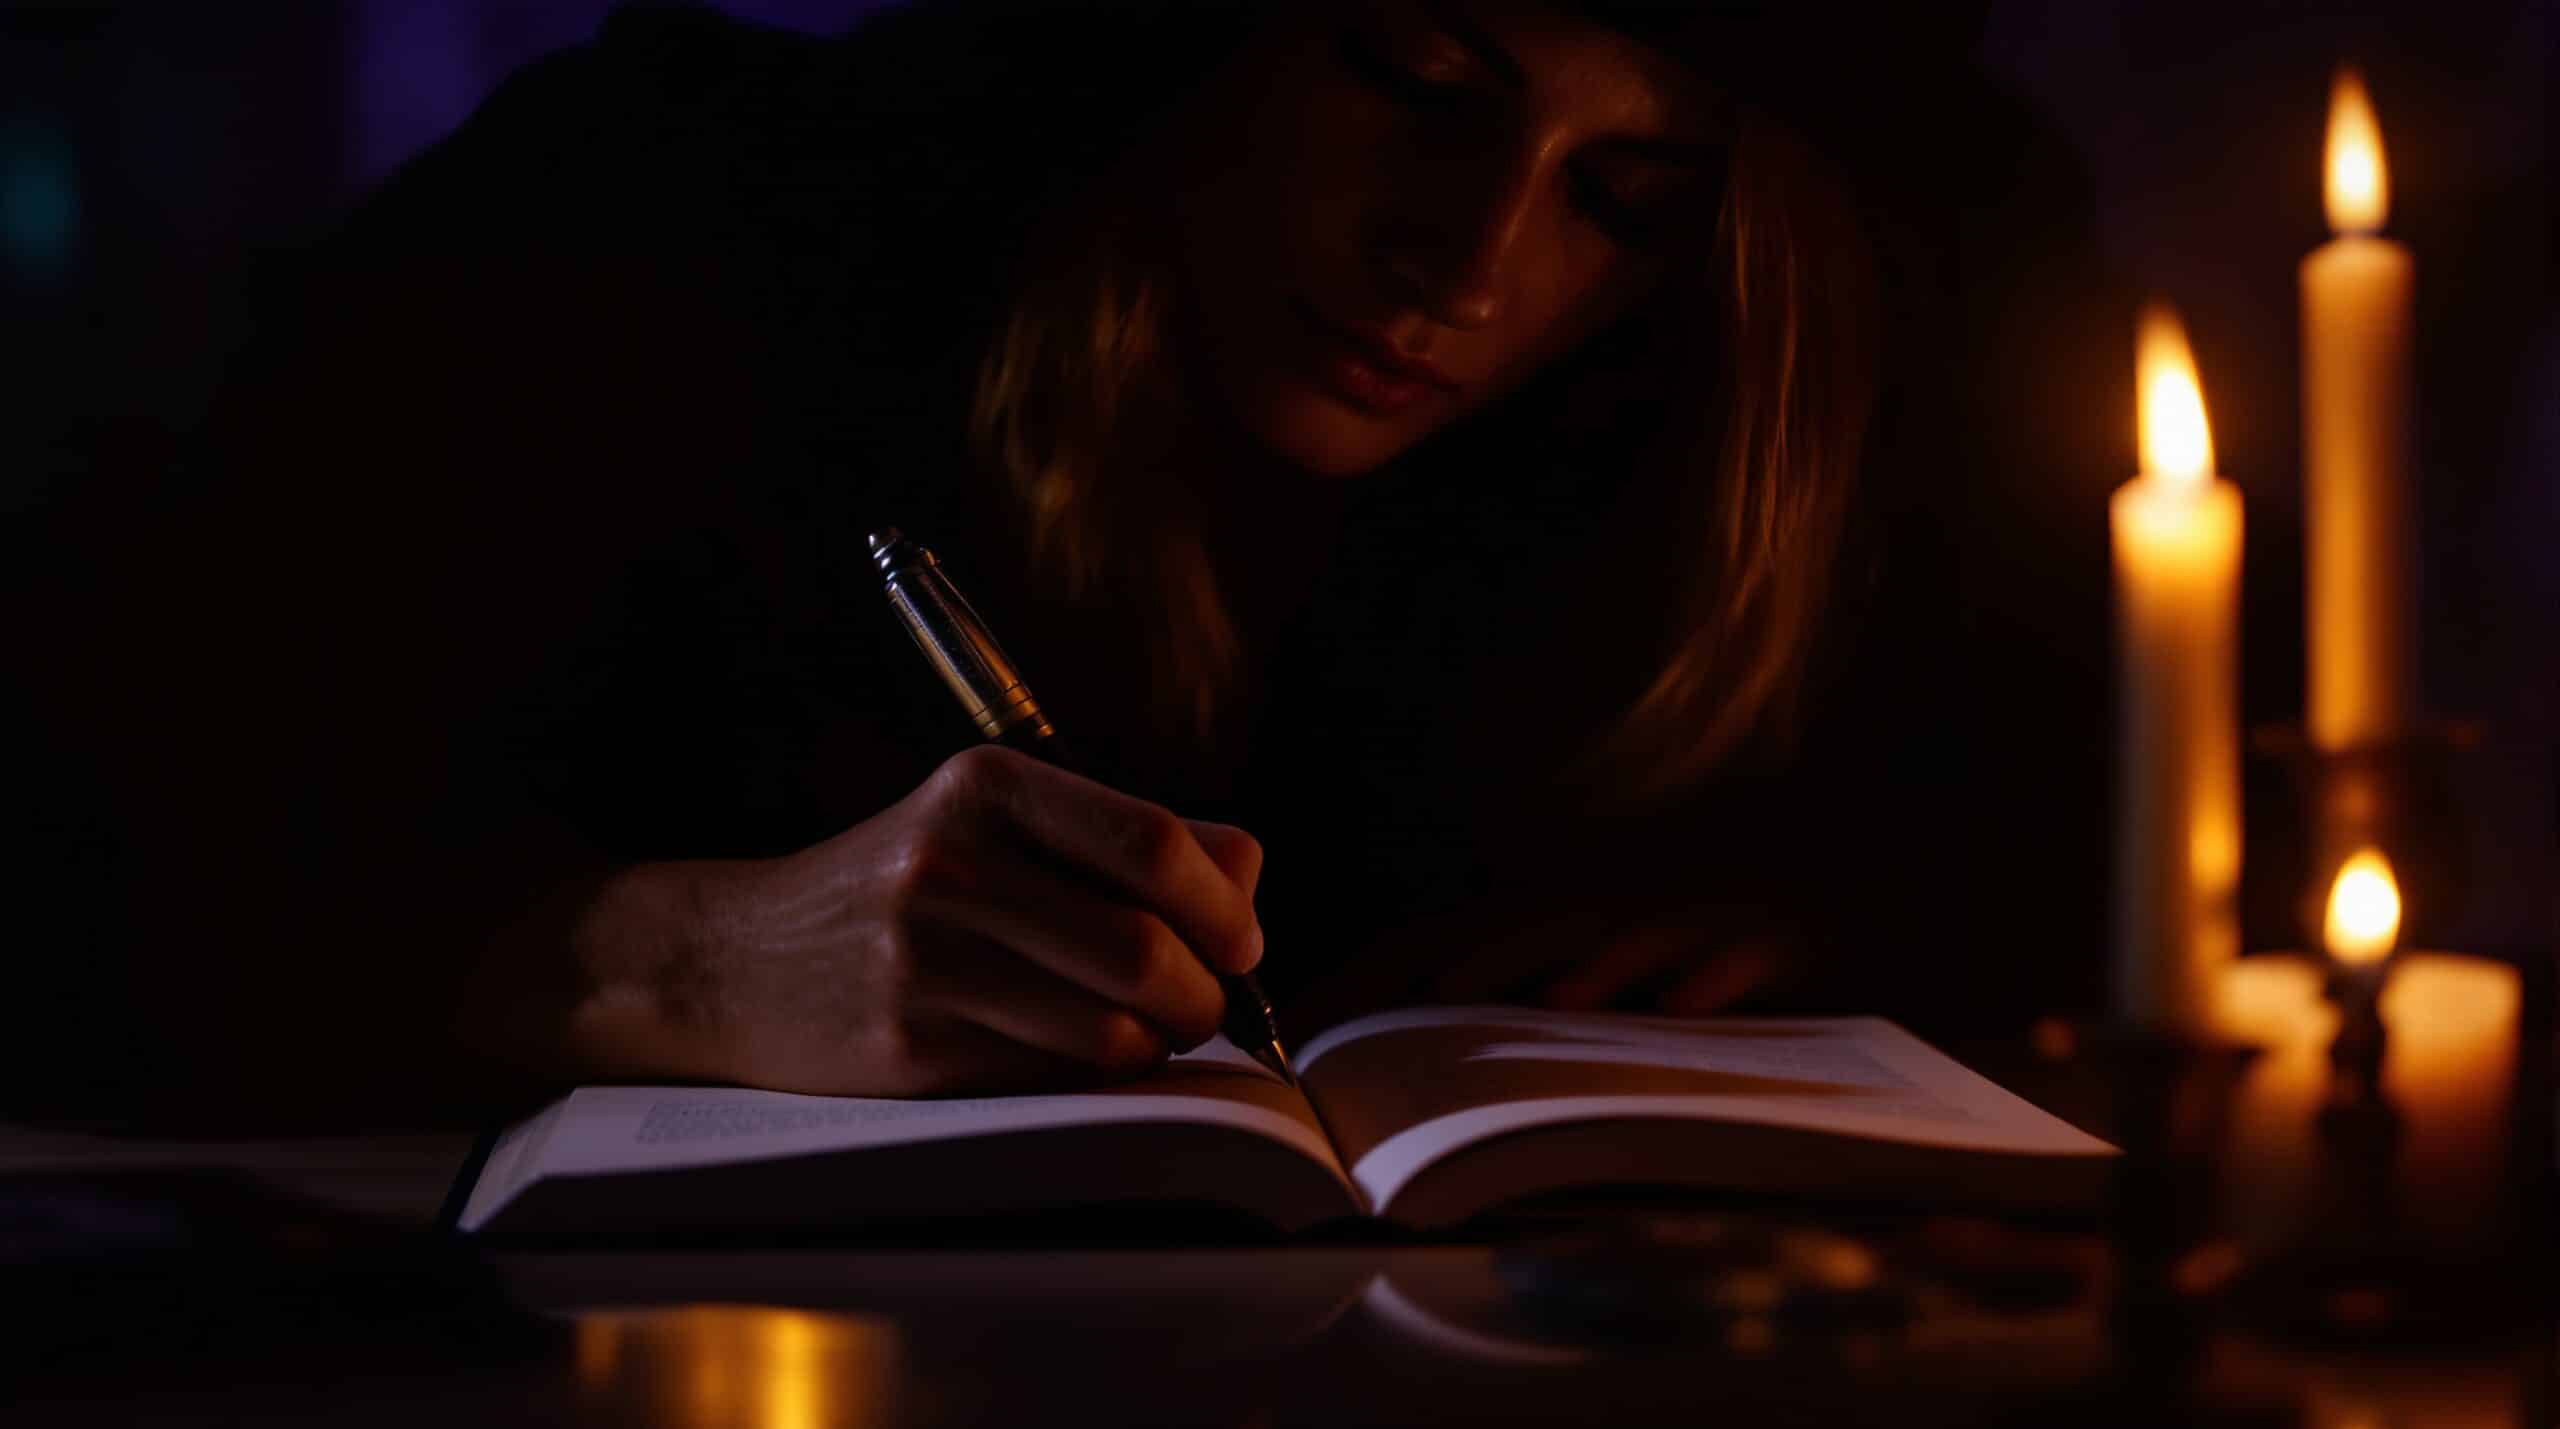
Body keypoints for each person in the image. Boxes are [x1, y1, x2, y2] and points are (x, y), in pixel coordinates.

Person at [17, 0, 1907, 1123]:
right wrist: (659, 963)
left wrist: (1818, 931)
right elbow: (100, 867)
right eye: (1418, 80)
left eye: (1627, 200)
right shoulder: (672, 223)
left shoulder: (1678, 446)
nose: (1473, 261)